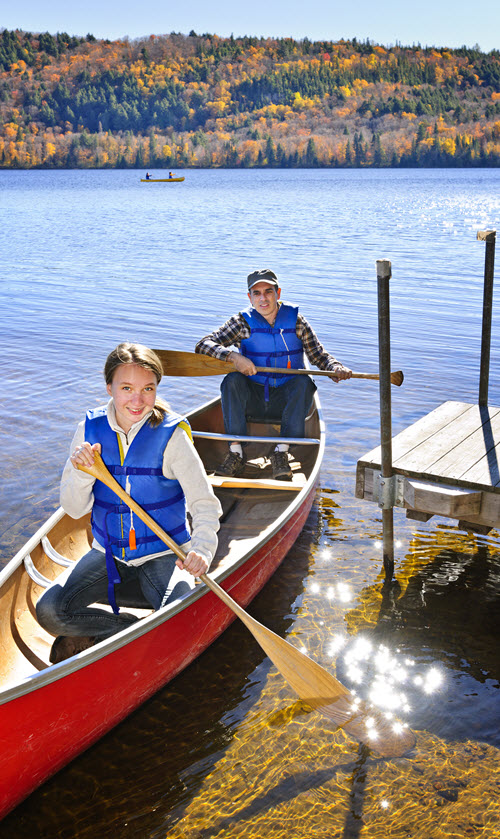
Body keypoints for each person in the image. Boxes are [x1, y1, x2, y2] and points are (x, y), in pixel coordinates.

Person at [36, 343, 222, 664]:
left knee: (179, 616)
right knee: (50, 610)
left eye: (147, 389)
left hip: (165, 556)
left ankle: (144, 627)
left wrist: (202, 550)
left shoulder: (171, 436)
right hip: (109, 557)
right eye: (126, 388)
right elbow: (74, 508)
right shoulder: (89, 430)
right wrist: (82, 473)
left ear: (155, 389)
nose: (137, 400)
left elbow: (204, 503)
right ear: (108, 387)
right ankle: (126, 628)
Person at [195, 269, 352, 481]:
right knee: (232, 380)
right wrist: (234, 356)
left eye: (268, 292)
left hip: (287, 399)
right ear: (249, 297)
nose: (263, 298)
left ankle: (281, 452)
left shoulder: (297, 322)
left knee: (303, 382)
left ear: (278, 293)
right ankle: (236, 453)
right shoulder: (241, 322)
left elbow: (319, 356)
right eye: (256, 293)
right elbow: (203, 344)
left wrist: (335, 368)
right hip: (254, 397)